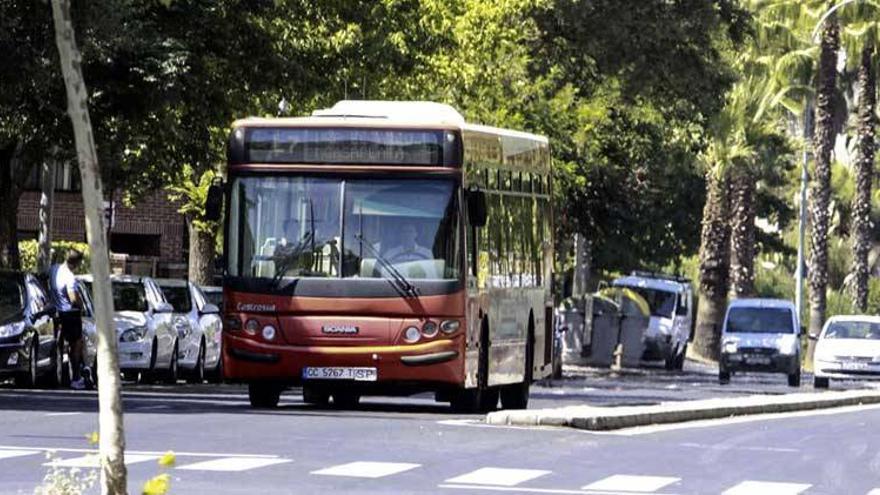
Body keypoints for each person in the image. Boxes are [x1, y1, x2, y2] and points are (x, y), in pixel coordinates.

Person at [50, 250, 85, 390]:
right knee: (76, 345)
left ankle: (57, 374)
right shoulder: (70, 277)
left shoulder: (54, 269)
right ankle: (76, 378)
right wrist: (81, 305)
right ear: (77, 263)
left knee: (59, 345)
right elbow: (73, 298)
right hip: (70, 313)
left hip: (58, 312)